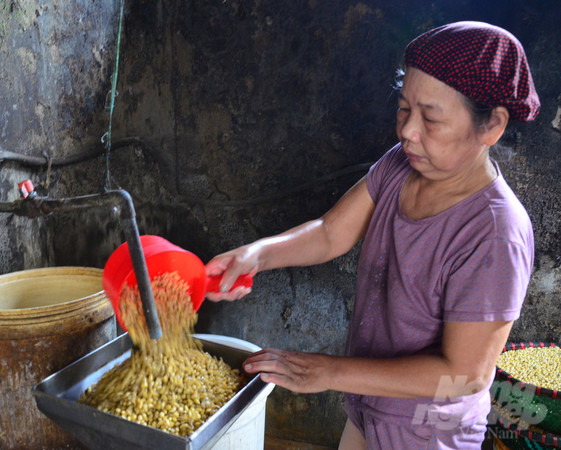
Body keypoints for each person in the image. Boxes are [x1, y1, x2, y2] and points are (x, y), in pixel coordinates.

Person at [204, 21, 540, 450]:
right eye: (404, 109)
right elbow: (329, 233)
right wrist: (257, 255)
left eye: (431, 118)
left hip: (426, 431)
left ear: (491, 126)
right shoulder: (402, 164)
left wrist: (327, 372)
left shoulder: (495, 233)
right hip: (369, 409)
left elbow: (465, 375)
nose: (407, 131)